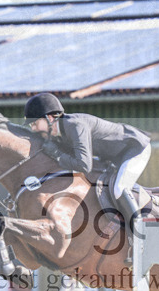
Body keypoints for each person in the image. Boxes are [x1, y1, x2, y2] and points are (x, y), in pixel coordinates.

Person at [23, 92, 152, 262]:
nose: (33, 129)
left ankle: (141, 241)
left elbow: (84, 165)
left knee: (119, 188)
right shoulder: (60, 134)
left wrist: (58, 155)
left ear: (49, 118)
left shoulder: (75, 125)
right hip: (114, 157)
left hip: (135, 150)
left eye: (34, 123)